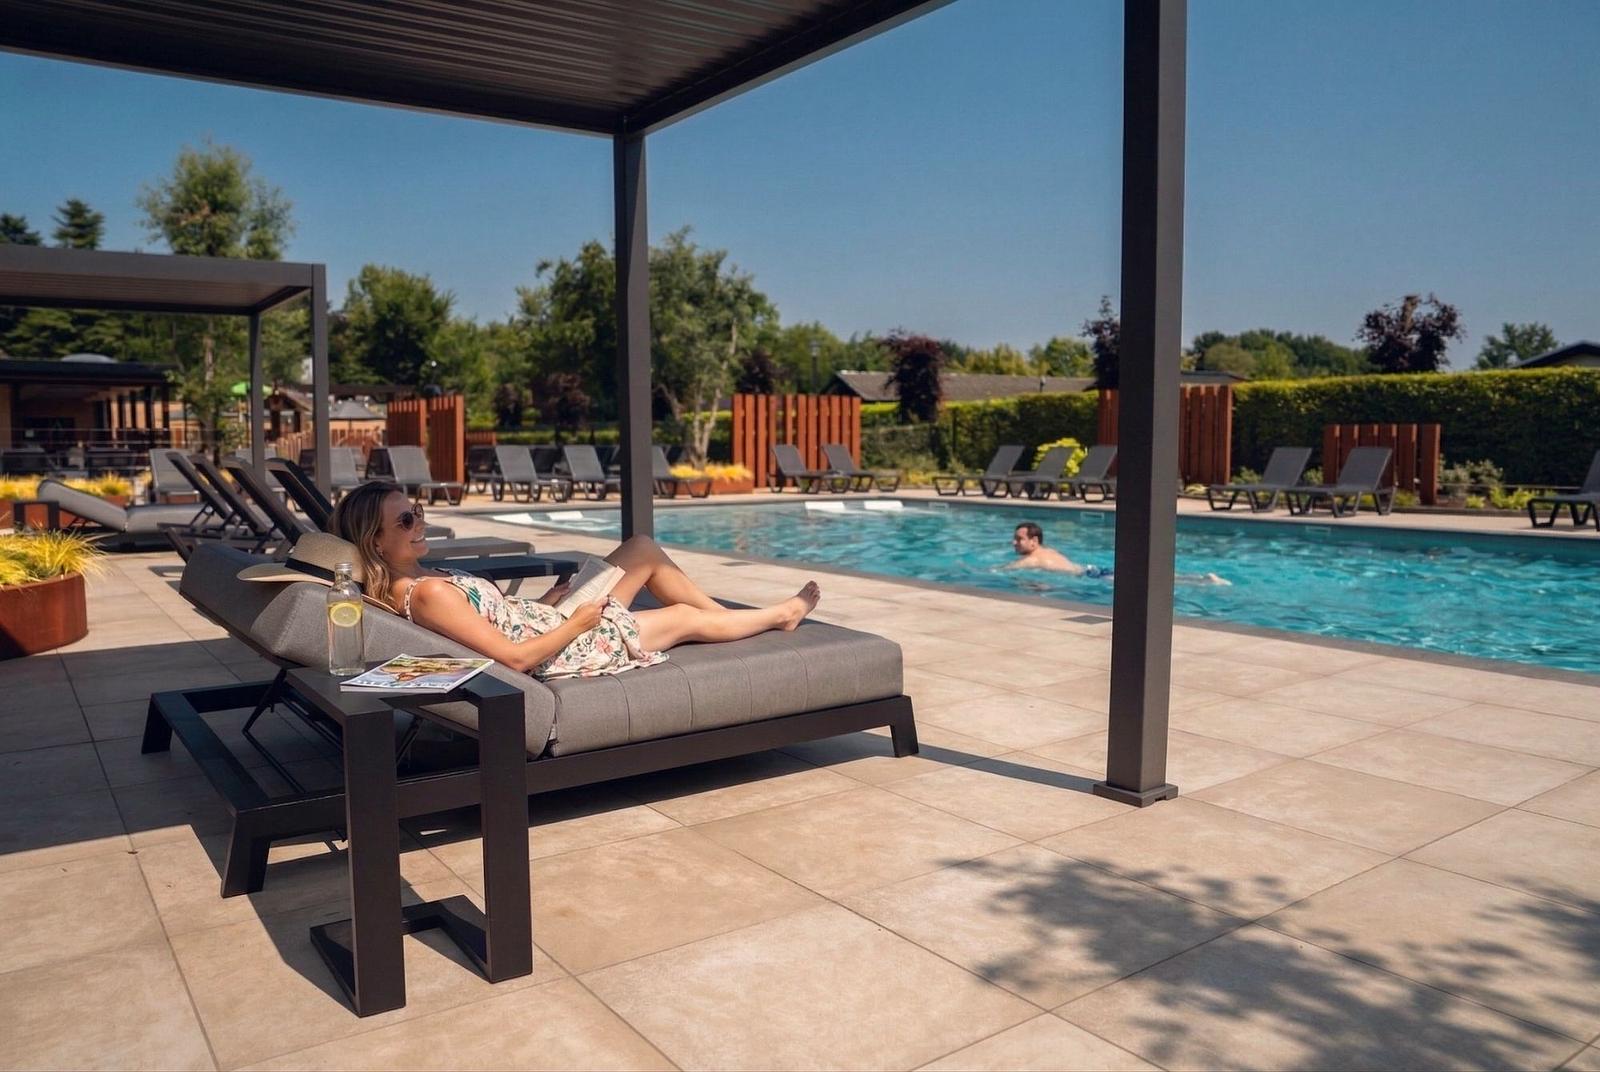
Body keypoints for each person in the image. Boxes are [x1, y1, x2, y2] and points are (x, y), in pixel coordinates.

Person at [328, 481, 821, 680]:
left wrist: (548, 601)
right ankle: (780, 616)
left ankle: (733, 619)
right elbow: (515, 659)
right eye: (406, 521)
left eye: (417, 511)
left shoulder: (417, 578)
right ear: (376, 542)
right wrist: (579, 622)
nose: (420, 522)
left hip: (545, 620)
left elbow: (488, 622)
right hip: (561, 646)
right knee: (681, 618)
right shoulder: (429, 593)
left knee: (641, 548)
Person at [1003, 521, 1229, 585]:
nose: (1014, 543)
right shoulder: (1048, 551)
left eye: (1019, 539)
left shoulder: (1032, 559)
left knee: (1145, 584)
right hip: (1093, 570)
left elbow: (1003, 570)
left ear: (1034, 541)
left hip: (1092, 577)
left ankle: (1201, 581)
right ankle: (1200, 578)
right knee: (1146, 579)